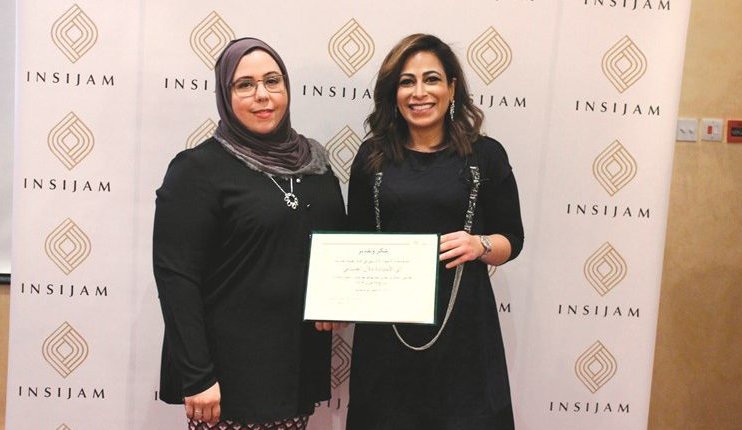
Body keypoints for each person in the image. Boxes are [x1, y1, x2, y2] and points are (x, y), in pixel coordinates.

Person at [153, 37, 346, 430]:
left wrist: (340, 298)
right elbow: (176, 278)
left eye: (273, 81)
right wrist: (197, 375)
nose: (262, 95)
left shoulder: (316, 166)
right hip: (227, 375)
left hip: (294, 364)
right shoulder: (197, 170)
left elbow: (338, 250)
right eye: (245, 85)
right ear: (225, 96)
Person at [346, 34, 524, 430]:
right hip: (387, 334)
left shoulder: (486, 155)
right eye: (406, 82)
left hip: (465, 330)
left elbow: (513, 239)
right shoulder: (372, 157)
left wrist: (479, 245)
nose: (419, 92)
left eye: (431, 79)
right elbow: (354, 240)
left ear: (452, 88)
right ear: (393, 93)